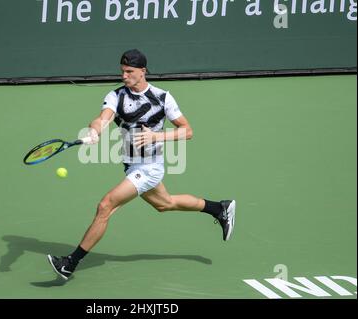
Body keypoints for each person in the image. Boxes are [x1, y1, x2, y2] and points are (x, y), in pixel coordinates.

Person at [47, 49, 236, 280]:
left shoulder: (163, 97)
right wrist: (95, 131)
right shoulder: (117, 96)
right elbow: (102, 118)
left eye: (129, 72)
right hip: (131, 165)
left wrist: (158, 136)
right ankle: (219, 208)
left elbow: (188, 131)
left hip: (149, 167)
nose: (124, 76)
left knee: (106, 206)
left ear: (143, 71)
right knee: (165, 204)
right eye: (122, 71)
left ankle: (70, 263)